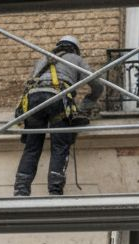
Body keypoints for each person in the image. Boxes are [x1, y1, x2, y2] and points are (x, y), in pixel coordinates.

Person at [13, 34, 104, 196]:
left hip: (33, 101)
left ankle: (21, 189)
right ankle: (55, 189)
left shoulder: (42, 60)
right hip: (57, 100)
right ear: (75, 49)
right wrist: (87, 103)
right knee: (60, 145)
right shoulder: (76, 59)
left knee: (32, 147)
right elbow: (97, 84)